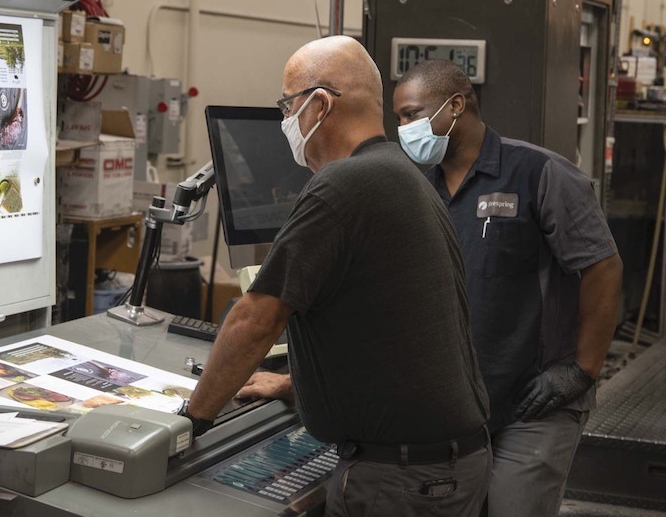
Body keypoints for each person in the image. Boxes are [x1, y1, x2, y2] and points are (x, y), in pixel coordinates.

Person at [186, 36, 492, 517]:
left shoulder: (343, 184)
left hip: (402, 478)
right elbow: (395, 334)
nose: (286, 121)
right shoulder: (403, 175)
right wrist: (294, 385)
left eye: (288, 106)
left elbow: (256, 319)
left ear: (319, 105)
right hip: (448, 466)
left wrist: (192, 419)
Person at [390, 60, 623, 517]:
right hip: (458, 403)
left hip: (537, 398)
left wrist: (582, 370)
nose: (403, 128)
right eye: (399, 117)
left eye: (411, 114)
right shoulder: (419, 186)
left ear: (456, 105)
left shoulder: (539, 173)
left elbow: (604, 268)